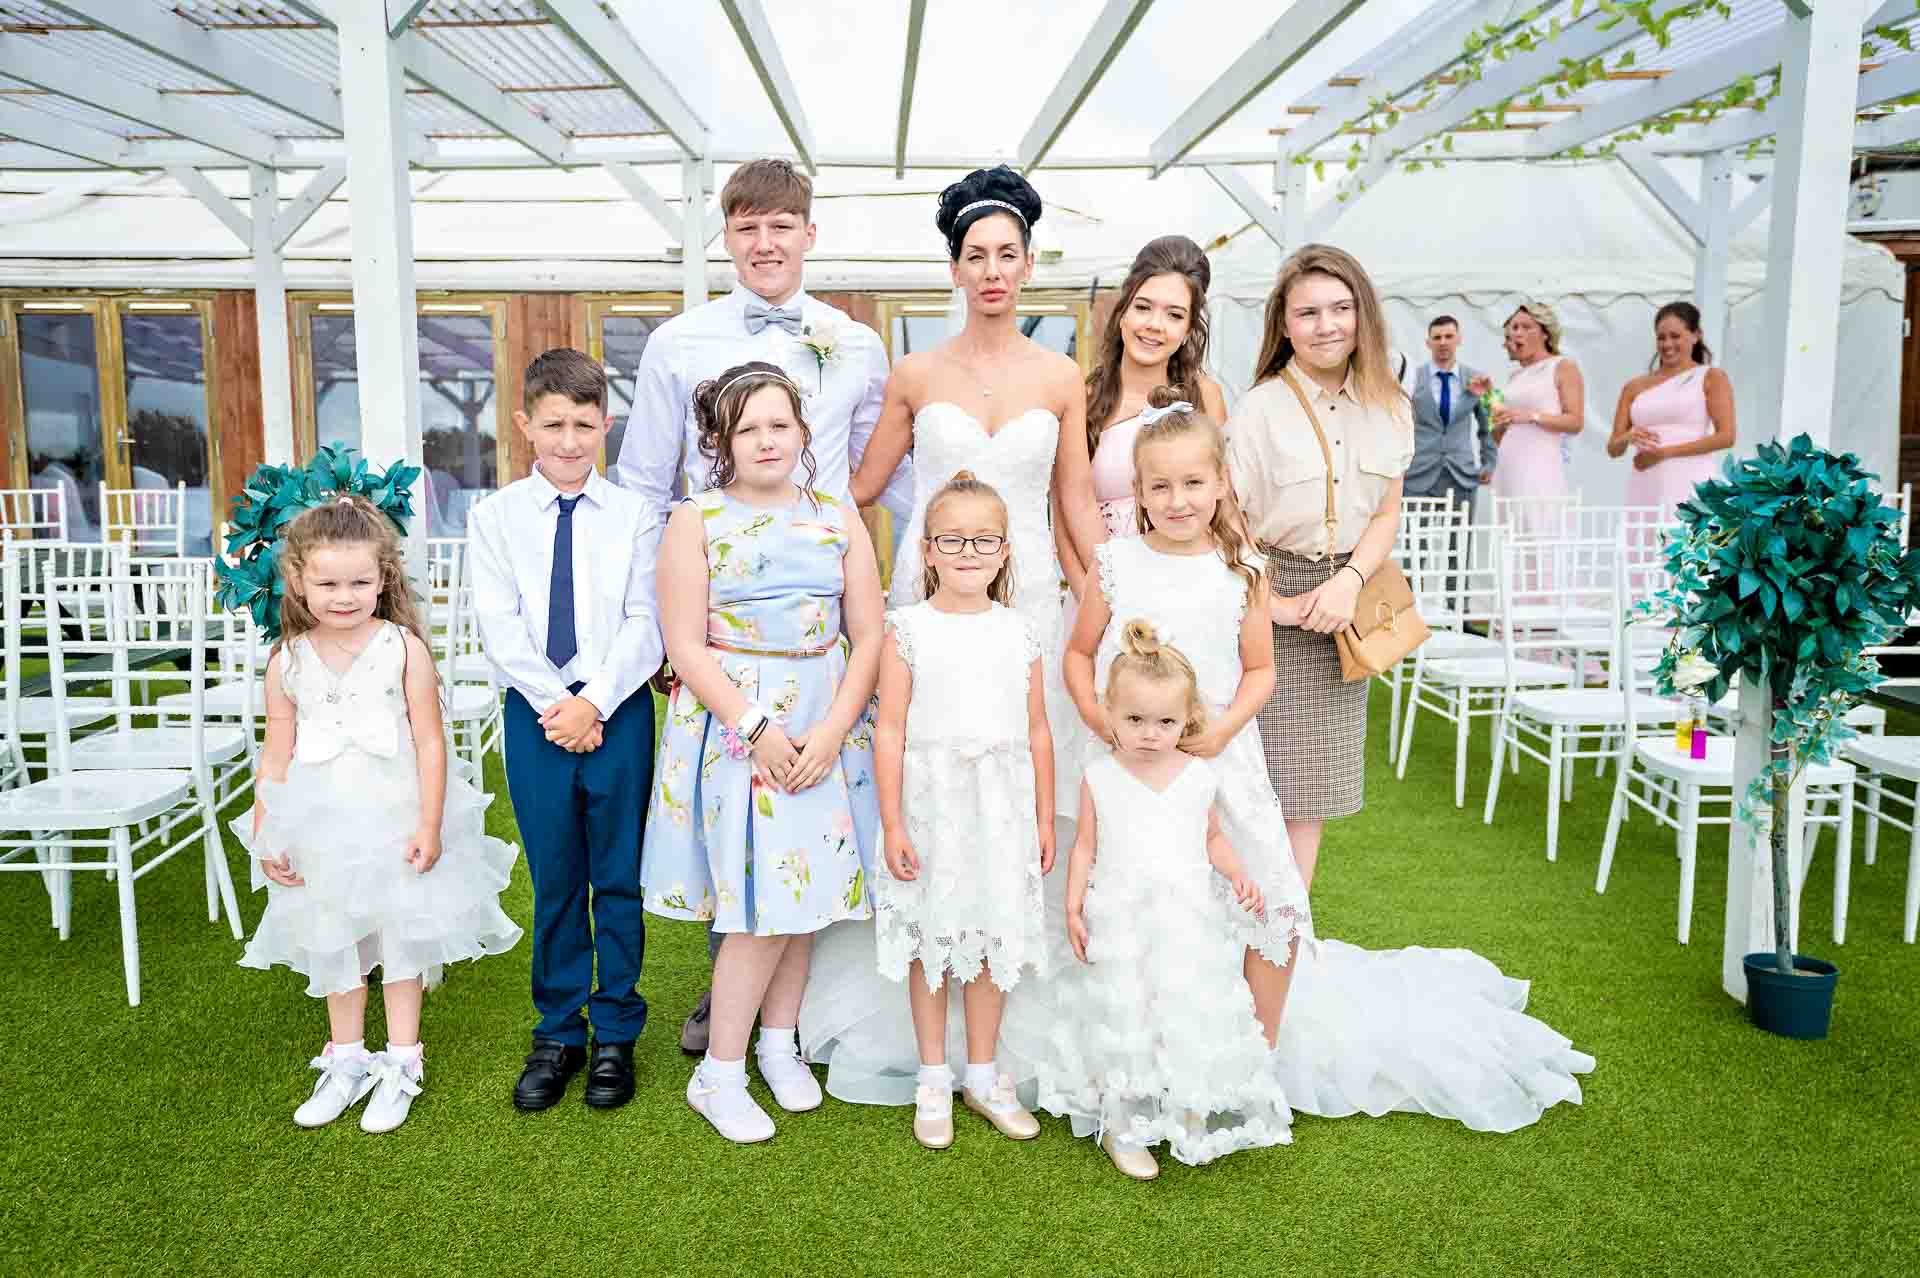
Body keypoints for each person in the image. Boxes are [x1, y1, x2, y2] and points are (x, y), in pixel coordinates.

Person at [613, 159, 911, 1054]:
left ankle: (780, 1021)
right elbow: (642, 481)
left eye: (782, 226)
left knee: (812, 811)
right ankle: (726, 997)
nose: (765, 243)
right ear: (727, 239)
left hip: (817, 594)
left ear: (809, 235)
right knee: (734, 802)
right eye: (747, 228)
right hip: (719, 600)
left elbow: (878, 473)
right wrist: (655, 631)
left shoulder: (854, 344)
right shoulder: (677, 343)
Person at [643, 361, 883, 1145]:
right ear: (721, 440)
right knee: (754, 905)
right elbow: (683, 641)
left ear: (804, 433)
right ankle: (719, 1073)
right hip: (739, 729)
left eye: (780, 424)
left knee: (804, 894)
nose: (767, 440)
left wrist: (835, 727)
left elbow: (870, 631)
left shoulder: (837, 515)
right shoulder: (696, 520)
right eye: (748, 428)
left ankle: (780, 1046)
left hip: (824, 718)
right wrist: (756, 729)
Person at [236, 495, 521, 1133]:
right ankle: (346, 1061)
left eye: (361, 581)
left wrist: (428, 823)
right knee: (335, 935)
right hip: (319, 821)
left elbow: (428, 741)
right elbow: (276, 749)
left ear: (384, 578)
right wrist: (267, 828)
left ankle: (400, 1062)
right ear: (298, 581)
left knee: (401, 936)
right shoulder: (286, 659)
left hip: (394, 816)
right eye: (329, 583)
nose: (345, 595)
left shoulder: (403, 649)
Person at [848, 164, 1105, 829]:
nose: (991, 270)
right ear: (955, 270)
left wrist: (1118, 587)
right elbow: (864, 489)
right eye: (976, 256)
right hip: (932, 582)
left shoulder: (1061, 377)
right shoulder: (915, 373)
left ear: (1027, 267)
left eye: (1006, 256)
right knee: (934, 737)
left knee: (1025, 740)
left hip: (1029, 588)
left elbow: (1076, 502)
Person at [1063, 392, 1311, 1043]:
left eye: (1194, 483)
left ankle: (1257, 1049)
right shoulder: (1115, 563)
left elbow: (1260, 670)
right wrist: (1100, 721)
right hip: (1135, 764)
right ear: (1138, 492)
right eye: (1161, 487)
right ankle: (1143, 1043)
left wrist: (1225, 729)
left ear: (1221, 483)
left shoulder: (1244, 571)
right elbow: (1078, 653)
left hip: (1221, 756)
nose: (1179, 501)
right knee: (1145, 903)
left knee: (1271, 903)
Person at [468, 349, 660, 1113]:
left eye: (585, 425)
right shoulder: (495, 516)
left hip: (618, 710)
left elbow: (648, 621)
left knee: (617, 876)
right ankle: (557, 1031)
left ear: (605, 424)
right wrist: (558, 703)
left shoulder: (638, 515)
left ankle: (615, 1030)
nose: (571, 441)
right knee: (555, 878)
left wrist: (598, 702)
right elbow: (500, 624)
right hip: (534, 709)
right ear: (525, 425)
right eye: (555, 425)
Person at [1040, 621, 1291, 1180]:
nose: (1151, 734)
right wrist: (1073, 907)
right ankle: (1124, 1122)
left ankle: (1187, 1105)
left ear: (1187, 719)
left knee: (1184, 1006)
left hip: (1186, 919)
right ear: (1109, 712)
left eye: (1165, 722)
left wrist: (1239, 876)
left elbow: (1212, 840)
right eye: (1135, 720)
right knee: (1129, 1010)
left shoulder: (1199, 775)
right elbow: (1085, 846)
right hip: (1122, 915)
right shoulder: (1100, 775)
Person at [871, 471, 1056, 1150]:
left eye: (984, 541)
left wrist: (1041, 815)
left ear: (1007, 551)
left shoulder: (1022, 631)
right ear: (927, 549)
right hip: (931, 803)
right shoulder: (907, 629)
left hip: (1002, 807)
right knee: (932, 940)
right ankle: (931, 1074)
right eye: (954, 540)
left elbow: (1038, 730)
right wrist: (893, 822)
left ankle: (982, 1073)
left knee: (990, 934)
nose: (969, 553)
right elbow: (888, 728)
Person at [1226, 243, 1411, 886]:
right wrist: (1268, 601)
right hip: (1271, 590)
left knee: (1313, 788)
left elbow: (1387, 511)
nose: (1326, 325)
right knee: (1259, 777)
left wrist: (1350, 581)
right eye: (1308, 313)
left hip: (1345, 599)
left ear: (1364, 314)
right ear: (1284, 324)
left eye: (1341, 308)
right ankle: (1248, 926)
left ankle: (1289, 929)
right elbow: (1229, 520)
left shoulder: (1390, 404)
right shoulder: (1258, 409)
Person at [1075, 235, 1227, 547]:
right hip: (1101, 579)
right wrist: (1096, 590)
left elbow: (1225, 505)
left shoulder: (1205, 396)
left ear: (1188, 331)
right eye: (1143, 307)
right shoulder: (1081, 398)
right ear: (1123, 314)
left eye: (1174, 315)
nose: (1155, 324)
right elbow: (1067, 512)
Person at [1608, 301, 1735, 516]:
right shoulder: (1634, 387)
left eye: (1675, 336)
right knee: (1643, 544)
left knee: (1682, 545)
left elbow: (1726, 437)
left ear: (1696, 335)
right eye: (1661, 337)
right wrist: (1628, 437)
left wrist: (1664, 453)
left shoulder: (1711, 377)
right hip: (1645, 480)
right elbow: (1613, 449)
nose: (1667, 344)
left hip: (1690, 479)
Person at [1482, 300, 1585, 539]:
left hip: (1538, 465)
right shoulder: (1515, 376)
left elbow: (1575, 421)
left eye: (1524, 327)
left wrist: (1534, 416)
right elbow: (1499, 433)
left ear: (1545, 333)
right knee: (1510, 536)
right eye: (1512, 329)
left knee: (1538, 534)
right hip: (1508, 462)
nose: (1516, 333)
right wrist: (1490, 402)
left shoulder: (1562, 367)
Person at [1406, 314, 1495, 506]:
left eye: (1449, 336)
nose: (1443, 342)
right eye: (1437, 337)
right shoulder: (1411, 378)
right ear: (1428, 343)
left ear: (1459, 339)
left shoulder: (1477, 378)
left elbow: (1489, 424)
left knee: (1461, 536)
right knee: (1416, 536)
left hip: (1461, 475)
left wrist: (1489, 463)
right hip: (1418, 476)